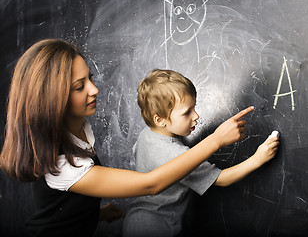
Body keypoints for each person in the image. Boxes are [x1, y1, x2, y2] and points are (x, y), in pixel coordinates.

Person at [0, 39, 255, 237]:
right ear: (51, 99)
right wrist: (216, 140)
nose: (94, 89)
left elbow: (62, 206)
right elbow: (150, 184)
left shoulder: (77, 127)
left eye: (90, 77)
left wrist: (94, 215)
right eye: (80, 87)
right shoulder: (60, 164)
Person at [122, 69, 280, 237]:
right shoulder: (176, 155)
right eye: (187, 112)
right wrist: (258, 158)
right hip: (158, 229)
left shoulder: (147, 134)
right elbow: (222, 179)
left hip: (134, 221)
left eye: (194, 107)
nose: (196, 116)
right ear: (160, 120)